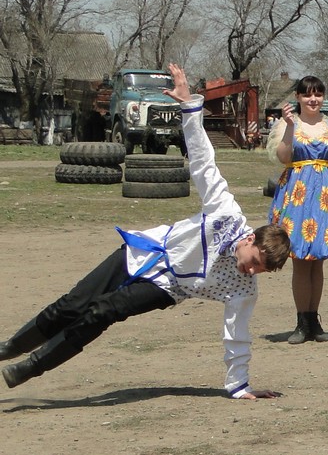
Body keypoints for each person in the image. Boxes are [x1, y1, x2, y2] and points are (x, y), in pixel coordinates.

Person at [1, 64, 290, 398]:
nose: (251, 270)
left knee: (104, 311)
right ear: (249, 238)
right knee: (72, 304)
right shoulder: (225, 213)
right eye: (254, 261)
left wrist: (239, 385)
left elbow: (237, 332)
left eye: (260, 270)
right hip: (147, 250)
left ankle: (30, 367)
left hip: (169, 286)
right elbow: (202, 162)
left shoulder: (244, 289)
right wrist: (189, 108)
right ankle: (11, 347)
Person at [268, 77, 328, 344]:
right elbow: (284, 157)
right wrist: (287, 127)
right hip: (296, 194)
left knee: (317, 260)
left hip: (325, 194)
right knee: (300, 260)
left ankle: (314, 321)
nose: (313, 99)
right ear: (298, 97)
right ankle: (300, 322)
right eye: (307, 95)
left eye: (318, 95)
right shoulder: (290, 124)